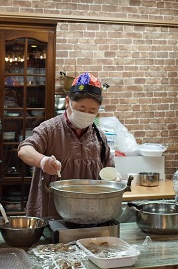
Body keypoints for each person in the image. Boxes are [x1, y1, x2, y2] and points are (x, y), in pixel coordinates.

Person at [18, 71, 114, 218]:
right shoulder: (50, 129)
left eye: (92, 111)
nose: (86, 114)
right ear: (68, 101)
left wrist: (114, 179)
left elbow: (109, 169)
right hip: (52, 211)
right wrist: (43, 161)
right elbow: (24, 150)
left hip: (88, 214)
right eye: (81, 109)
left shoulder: (99, 137)